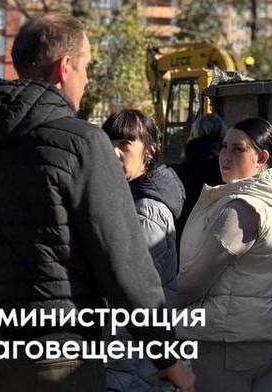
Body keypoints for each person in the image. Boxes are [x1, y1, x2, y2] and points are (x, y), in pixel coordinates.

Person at [0, 13, 195, 392]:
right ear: (65, 67)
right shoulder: (82, 144)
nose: (87, 79)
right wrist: (168, 355)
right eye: (87, 67)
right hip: (59, 360)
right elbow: (125, 267)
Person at [177, 117, 272, 392]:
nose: (225, 156)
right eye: (224, 147)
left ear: (262, 157)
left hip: (228, 342)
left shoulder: (242, 209)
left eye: (238, 149)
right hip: (267, 338)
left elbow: (193, 281)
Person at [103, 109, 186, 392]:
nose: (114, 153)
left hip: (129, 355)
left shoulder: (146, 211)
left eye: (125, 145)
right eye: (109, 144)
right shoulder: (127, 198)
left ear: (149, 151)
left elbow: (130, 290)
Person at [174, 113, 226, 239]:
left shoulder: (181, 170)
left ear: (194, 132)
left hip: (186, 238)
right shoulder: (227, 166)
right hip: (221, 237)